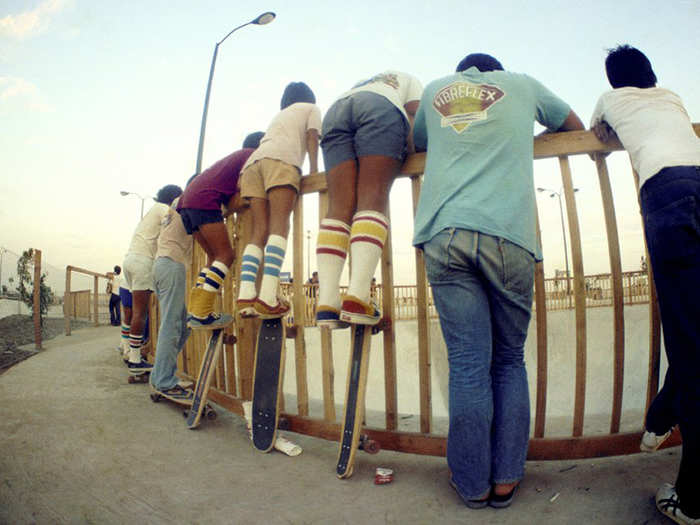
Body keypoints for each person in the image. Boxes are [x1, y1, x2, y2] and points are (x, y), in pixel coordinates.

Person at [412, 53, 584, 508]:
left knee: (468, 364)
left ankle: (471, 483)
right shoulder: (523, 84)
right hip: (510, 236)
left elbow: (418, 143)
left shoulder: (434, 90)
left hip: (446, 232)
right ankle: (506, 479)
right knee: (508, 361)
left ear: (463, 72)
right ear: (495, 71)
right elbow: (572, 123)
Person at [590, 44, 700, 524]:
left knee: (689, 339)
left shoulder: (610, 100)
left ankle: (693, 500)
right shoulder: (672, 96)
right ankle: (661, 415)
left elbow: (597, 133)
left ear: (615, 81)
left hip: (666, 193)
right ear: (652, 75)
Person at [316, 71, 422, 328]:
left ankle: (327, 304)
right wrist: (412, 150)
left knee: (338, 208)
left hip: (337, 110)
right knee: (371, 198)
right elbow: (415, 117)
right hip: (380, 109)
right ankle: (357, 297)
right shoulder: (409, 79)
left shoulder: (364, 81)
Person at [235, 82, 320, 319]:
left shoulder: (279, 116)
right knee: (280, 225)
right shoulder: (311, 108)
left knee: (259, 231)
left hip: (253, 164)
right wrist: (313, 170)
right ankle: (267, 296)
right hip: (281, 160)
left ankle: (246, 293)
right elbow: (312, 136)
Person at [178, 131, 264, 328]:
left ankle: (195, 310)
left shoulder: (231, 159)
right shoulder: (250, 157)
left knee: (213, 257)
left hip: (187, 203)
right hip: (203, 200)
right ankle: (202, 312)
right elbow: (244, 185)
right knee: (226, 255)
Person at [122, 184, 183, 375]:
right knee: (141, 313)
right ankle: (134, 361)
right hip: (143, 262)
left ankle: (131, 354)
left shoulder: (151, 211)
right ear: (173, 198)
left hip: (130, 260)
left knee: (134, 312)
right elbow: (175, 223)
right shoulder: (164, 209)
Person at [150, 196, 194, 399]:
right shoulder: (189, 200)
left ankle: (160, 374)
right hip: (171, 265)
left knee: (182, 326)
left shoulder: (176, 206)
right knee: (172, 325)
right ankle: (165, 380)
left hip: (161, 265)